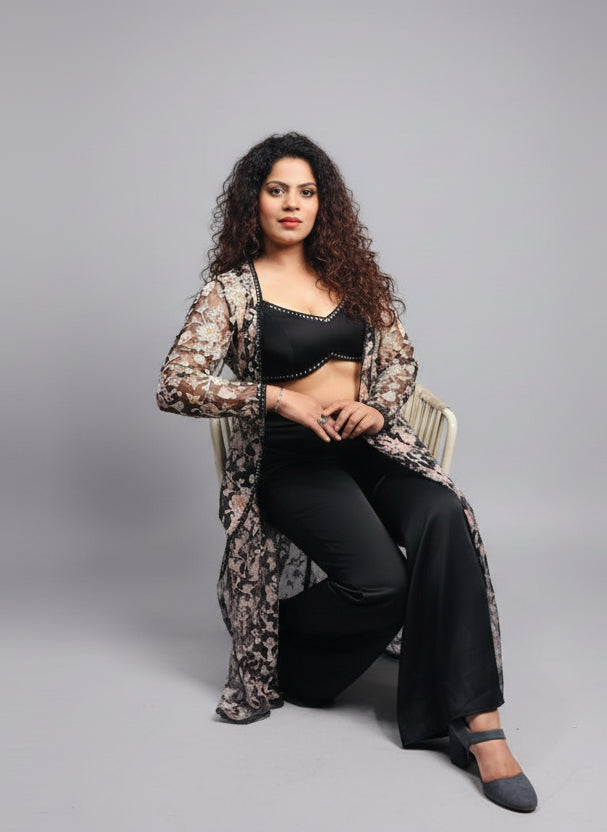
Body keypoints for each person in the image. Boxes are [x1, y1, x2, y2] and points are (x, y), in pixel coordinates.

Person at [155, 132, 537, 812]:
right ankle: (286, 653)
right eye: (277, 190)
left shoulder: (354, 277)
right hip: (291, 459)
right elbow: (177, 384)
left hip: (367, 447)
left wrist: (377, 406)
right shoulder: (232, 292)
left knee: (446, 514)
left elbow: (399, 364)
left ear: (323, 204)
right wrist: (278, 397)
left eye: (306, 191)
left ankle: (479, 725)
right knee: (381, 584)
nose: (292, 203)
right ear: (255, 201)